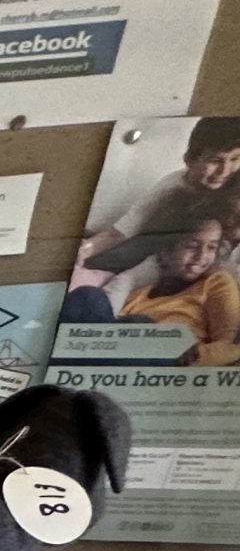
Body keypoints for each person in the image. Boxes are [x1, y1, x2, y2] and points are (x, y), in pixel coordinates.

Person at [76, 115, 240, 279]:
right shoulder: (172, 187)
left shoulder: (235, 183)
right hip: (176, 252)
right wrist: (87, 248)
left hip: (220, 258)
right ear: (189, 160)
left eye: (235, 159)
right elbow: (121, 231)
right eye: (215, 160)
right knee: (132, 249)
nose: (224, 171)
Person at [84, 217, 240, 366]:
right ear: (165, 252)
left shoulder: (215, 281)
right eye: (192, 246)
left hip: (169, 366)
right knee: (88, 296)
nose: (201, 256)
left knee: (138, 325)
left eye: (211, 248)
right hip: (113, 356)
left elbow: (230, 345)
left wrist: (186, 358)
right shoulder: (138, 294)